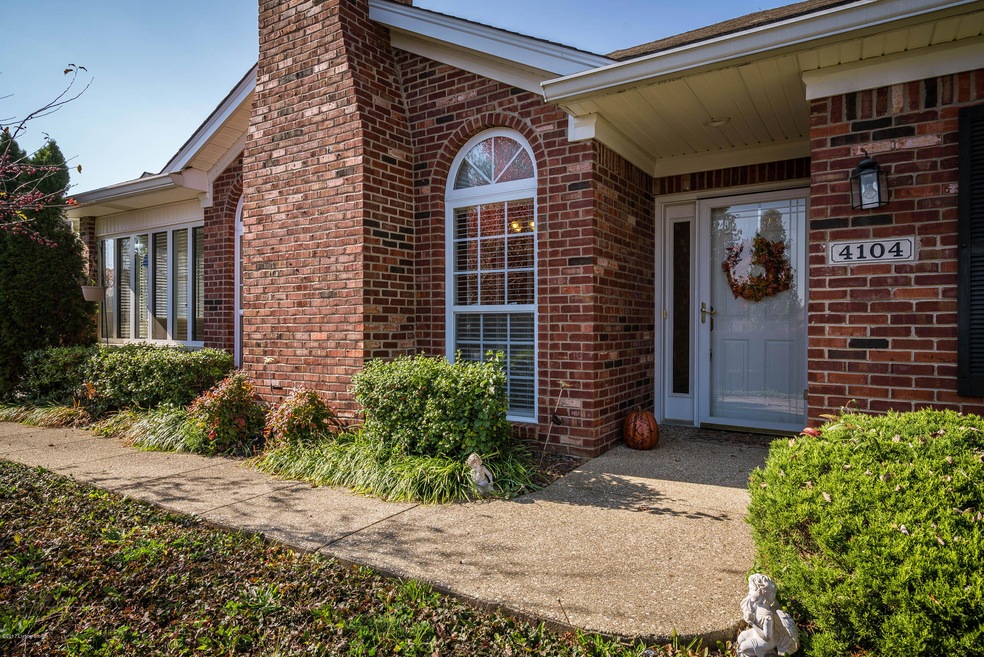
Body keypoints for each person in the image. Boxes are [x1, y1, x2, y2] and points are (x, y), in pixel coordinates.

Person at [737, 573, 799, 657]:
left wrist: (752, 624)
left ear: (760, 592)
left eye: (751, 589)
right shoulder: (756, 605)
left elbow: (767, 637)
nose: (749, 593)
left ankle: (769, 653)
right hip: (756, 633)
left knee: (744, 647)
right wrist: (749, 615)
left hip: (766, 642)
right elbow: (748, 606)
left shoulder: (767, 616)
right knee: (741, 637)